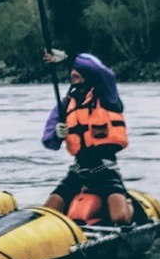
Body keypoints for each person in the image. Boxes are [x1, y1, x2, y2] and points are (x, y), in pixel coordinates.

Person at [40, 50, 135, 225]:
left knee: (119, 217)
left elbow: (103, 72)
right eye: (72, 71)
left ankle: (130, 204)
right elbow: (49, 142)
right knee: (48, 213)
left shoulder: (107, 94)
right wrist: (56, 133)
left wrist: (68, 60)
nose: (73, 73)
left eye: (79, 71)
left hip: (105, 170)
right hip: (79, 170)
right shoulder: (66, 104)